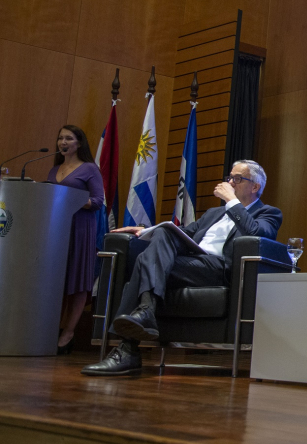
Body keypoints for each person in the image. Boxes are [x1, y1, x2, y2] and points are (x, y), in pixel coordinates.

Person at [81, 160, 282, 376]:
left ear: (255, 187)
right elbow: (182, 233)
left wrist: (232, 201)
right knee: (161, 237)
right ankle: (144, 314)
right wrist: (145, 230)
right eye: (230, 178)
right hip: (189, 263)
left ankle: (127, 350)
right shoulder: (214, 214)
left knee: (144, 262)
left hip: (218, 268)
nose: (231, 183)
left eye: (238, 179)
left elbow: (255, 233)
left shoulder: (269, 213)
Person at [46, 125, 105, 354]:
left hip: (80, 228)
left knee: (77, 280)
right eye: (60, 137)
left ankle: (69, 333)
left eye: (69, 138)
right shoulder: (54, 170)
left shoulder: (89, 168)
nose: (63, 142)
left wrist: (68, 198)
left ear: (79, 143)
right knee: (56, 281)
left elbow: (98, 201)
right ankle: (52, 328)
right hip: (55, 229)